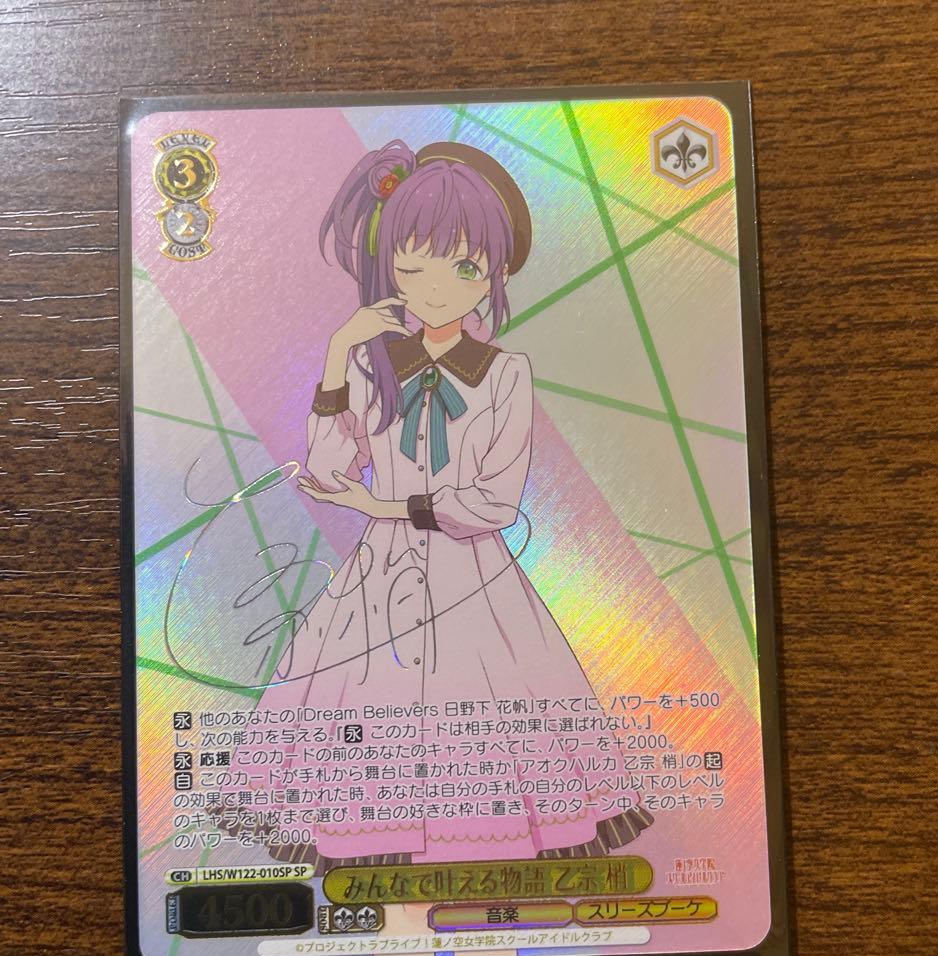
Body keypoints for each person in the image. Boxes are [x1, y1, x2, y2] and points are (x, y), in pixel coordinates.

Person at [221, 139, 652, 873]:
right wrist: (338, 354)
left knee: (493, 718)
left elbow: (493, 501)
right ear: (388, 269)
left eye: (464, 267)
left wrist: (386, 504)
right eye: (414, 267)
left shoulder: (506, 374)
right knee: (366, 714)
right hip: (378, 580)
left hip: (472, 573)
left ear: (494, 271)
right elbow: (325, 470)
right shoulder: (368, 365)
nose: (439, 288)